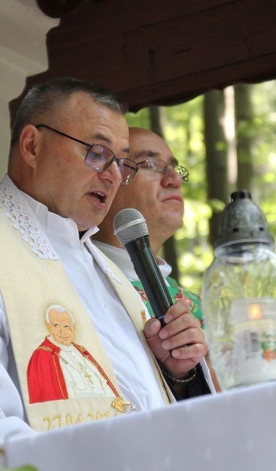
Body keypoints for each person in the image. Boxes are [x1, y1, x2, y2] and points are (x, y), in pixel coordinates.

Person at [0, 78, 213, 456]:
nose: (112, 175)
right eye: (96, 152)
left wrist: (177, 374)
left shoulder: (104, 270)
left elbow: (142, 407)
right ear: (32, 146)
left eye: (122, 162)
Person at [92, 127, 221, 389]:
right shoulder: (77, 279)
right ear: (108, 179)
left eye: (175, 168)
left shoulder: (192, 305)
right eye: (151, 164)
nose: (174, 179)